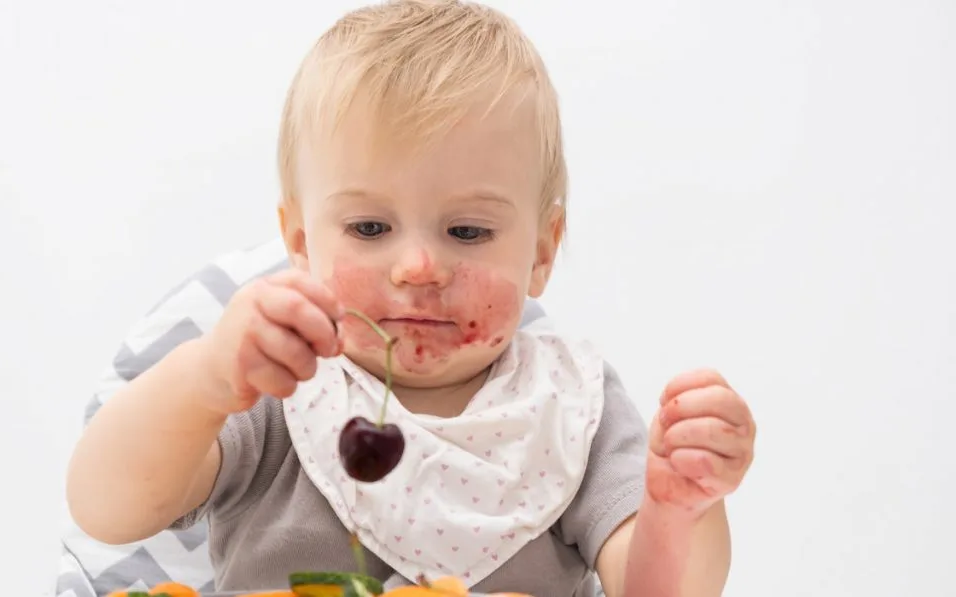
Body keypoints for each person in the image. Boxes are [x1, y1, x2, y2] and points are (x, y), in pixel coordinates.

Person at [66, 1, 757, 595]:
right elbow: (106, 508)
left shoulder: (572, 406)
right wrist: (209, 377)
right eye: (369, 228)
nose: (419, 266)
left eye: (467, 230)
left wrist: (677, 505)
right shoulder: (280, 389)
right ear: (301, 243)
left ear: (542, 252)